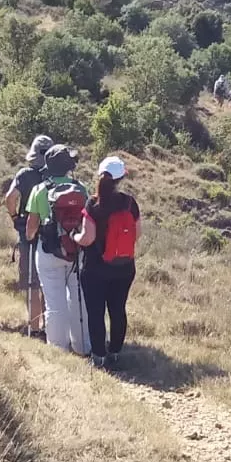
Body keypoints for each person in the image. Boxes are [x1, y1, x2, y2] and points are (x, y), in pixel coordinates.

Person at [73, 156, 141, 370]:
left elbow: (87, 238)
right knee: (118, 309)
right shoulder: (130, 203)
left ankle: (98, 357)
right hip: (124, 268)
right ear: (121, 178)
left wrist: (74, 237)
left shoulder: (93, 204)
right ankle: (115, 352)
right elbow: (137, 234)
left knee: (96, 312)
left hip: (95, 269)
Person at [26, 145, 89, 355]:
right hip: (76, 250)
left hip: (49, 250)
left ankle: (58, 351)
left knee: (54, 302)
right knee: (78, 299)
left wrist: (29, 237)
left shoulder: (40, 190)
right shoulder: (81, 188)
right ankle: (82, 346)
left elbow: (31, 228)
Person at [3, 135, 53, 335]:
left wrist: (15, 217)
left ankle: (34, 327)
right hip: (52, 234)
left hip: (29, 232)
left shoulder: (24, 174)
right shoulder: (56, 176)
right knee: (50, 282)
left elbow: (10, 198)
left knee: (32, 281)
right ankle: (51, 325)